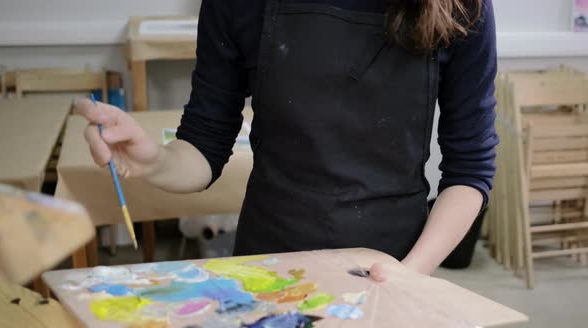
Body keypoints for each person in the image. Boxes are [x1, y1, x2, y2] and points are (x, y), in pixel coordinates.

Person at [76, 0, 498, 281]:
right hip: (269, 262)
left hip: (393, 264)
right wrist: (152, 160)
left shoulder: (460, 6)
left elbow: (470, 172)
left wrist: (410, 273)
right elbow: (204, 144)